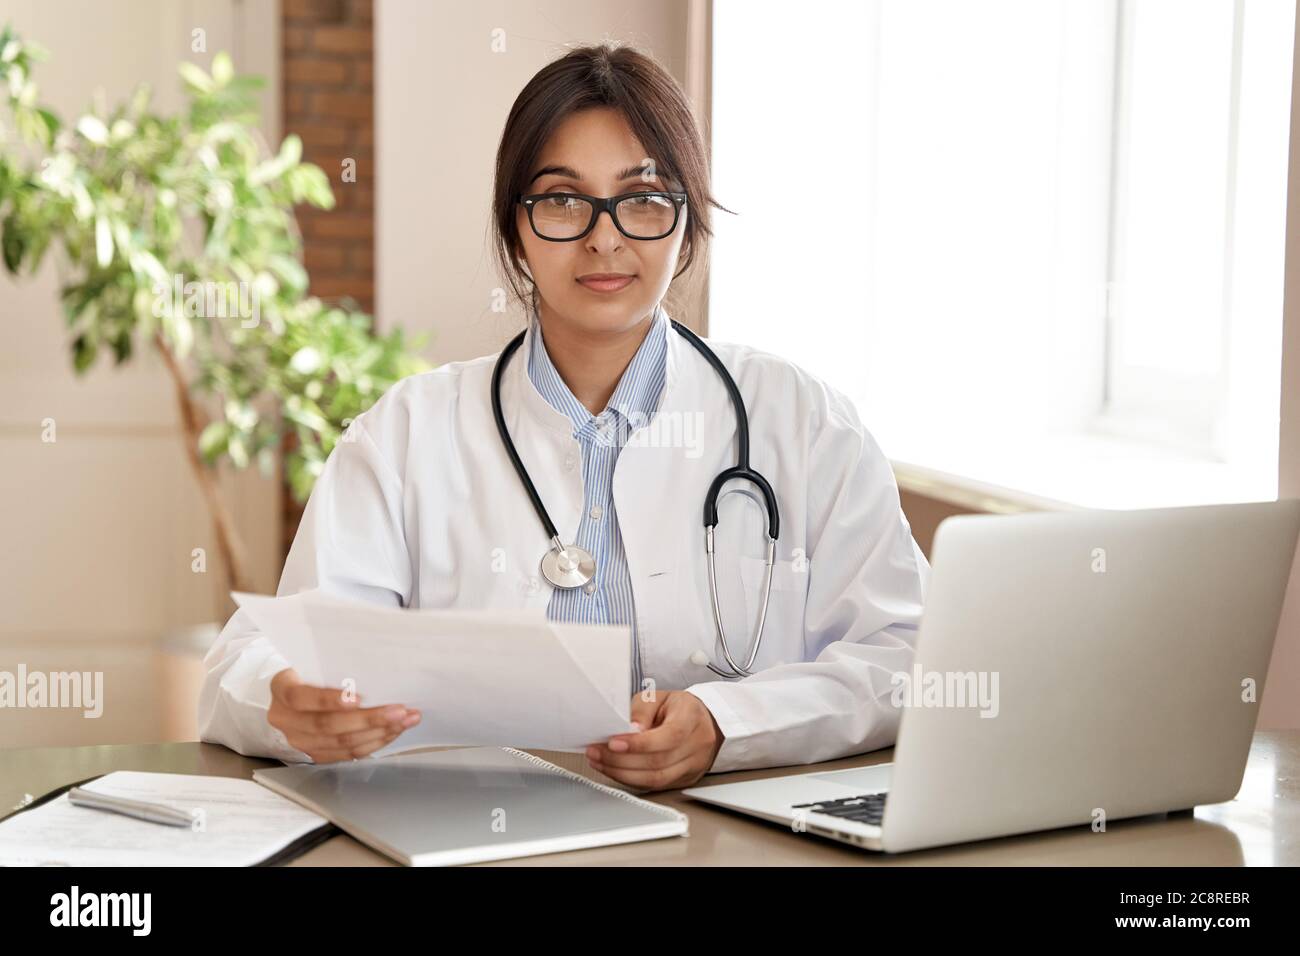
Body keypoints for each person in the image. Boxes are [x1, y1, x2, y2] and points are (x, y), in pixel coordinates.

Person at [199, 42, 930, 792]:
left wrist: (728, 725)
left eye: (643, 198)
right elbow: (249, 659)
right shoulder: (406, 434)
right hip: (471, 831)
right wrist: (288, 701)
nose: (603, 237)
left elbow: (908, 657)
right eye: (561, 199)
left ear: (686, 222)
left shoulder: (805, 424)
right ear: (516, 227)